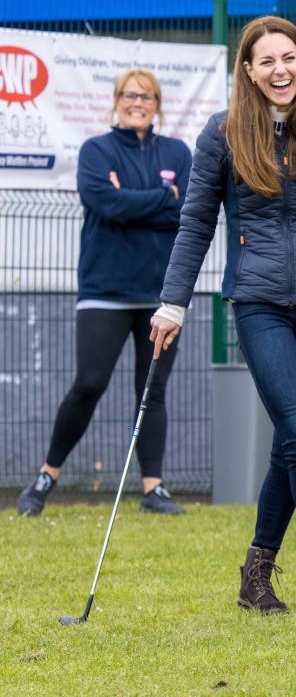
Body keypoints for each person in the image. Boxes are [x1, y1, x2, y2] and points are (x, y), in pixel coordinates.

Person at [149, 16, 296, 617]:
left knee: (289, 444)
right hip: (258, 304)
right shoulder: (221, 134)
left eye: (289, 59)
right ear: (248, 71)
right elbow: (195, 223)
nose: (280, 70)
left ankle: (256, 577)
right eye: (267, 61)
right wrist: (173, 304)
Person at [16, 70, 191, 517]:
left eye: (146, 96)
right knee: (89, 384)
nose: (138, 102)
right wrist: (160, 197)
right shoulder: (97, 150)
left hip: (160, 297)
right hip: (104, 292)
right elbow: (104, 204)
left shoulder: (177, 152)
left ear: (157, 103)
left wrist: (135, 201)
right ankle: (46, 476)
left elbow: (186, 213)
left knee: (151, 389)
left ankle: (153, 489)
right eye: (130, 95)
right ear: (116, 101)